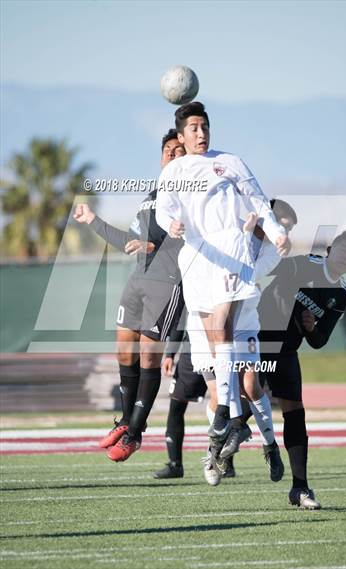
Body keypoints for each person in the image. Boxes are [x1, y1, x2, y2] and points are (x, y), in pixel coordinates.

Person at [155, 102, 291, 464]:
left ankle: (224, 418)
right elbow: (162, 208)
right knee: (212, 343)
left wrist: (276, 232)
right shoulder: (174, 171)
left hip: (231, 250)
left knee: (222, 329)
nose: (201, 134)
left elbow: (258, 200)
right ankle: (233, 419)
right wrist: (171, 224)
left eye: (205, 126)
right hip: (197, 258)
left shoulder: (230, 161)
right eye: (194, 129)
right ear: (181, 136)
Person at [154, 200, 297, 485]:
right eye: (279, 223)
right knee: (218, 395)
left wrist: (244, 238)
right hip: (204, 324)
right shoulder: (215, 233)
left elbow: (247, 273)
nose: (281, 232)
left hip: (242, 322)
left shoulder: (270, 251)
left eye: (287, 228)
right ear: (264, 215)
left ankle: (270, 446)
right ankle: (216, 450)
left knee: (250, 385)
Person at [73, 129, 185, 462]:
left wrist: (157, 245)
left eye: (180, 152)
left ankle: (135, 432)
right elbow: (130, 243)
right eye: (169, 151)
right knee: (124, 349)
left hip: (166, 283)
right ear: (161, 156)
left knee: (150, 357)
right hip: (138, 280)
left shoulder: (192, 196)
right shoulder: (151, 196)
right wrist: (93, 220)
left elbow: (196, 238)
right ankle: (125, 421)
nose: (173, 156)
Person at [258, 229, 346, 509]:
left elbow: (319, 342)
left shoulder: (341, 294)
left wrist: (310, 327)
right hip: (257, 340)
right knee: (245, 403)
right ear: (330, 250)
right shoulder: (305, 263)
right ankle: (225, 448)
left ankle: (300, 488)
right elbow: (268, 268)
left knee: (296, 414)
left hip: (287, 350)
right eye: (343, 249)